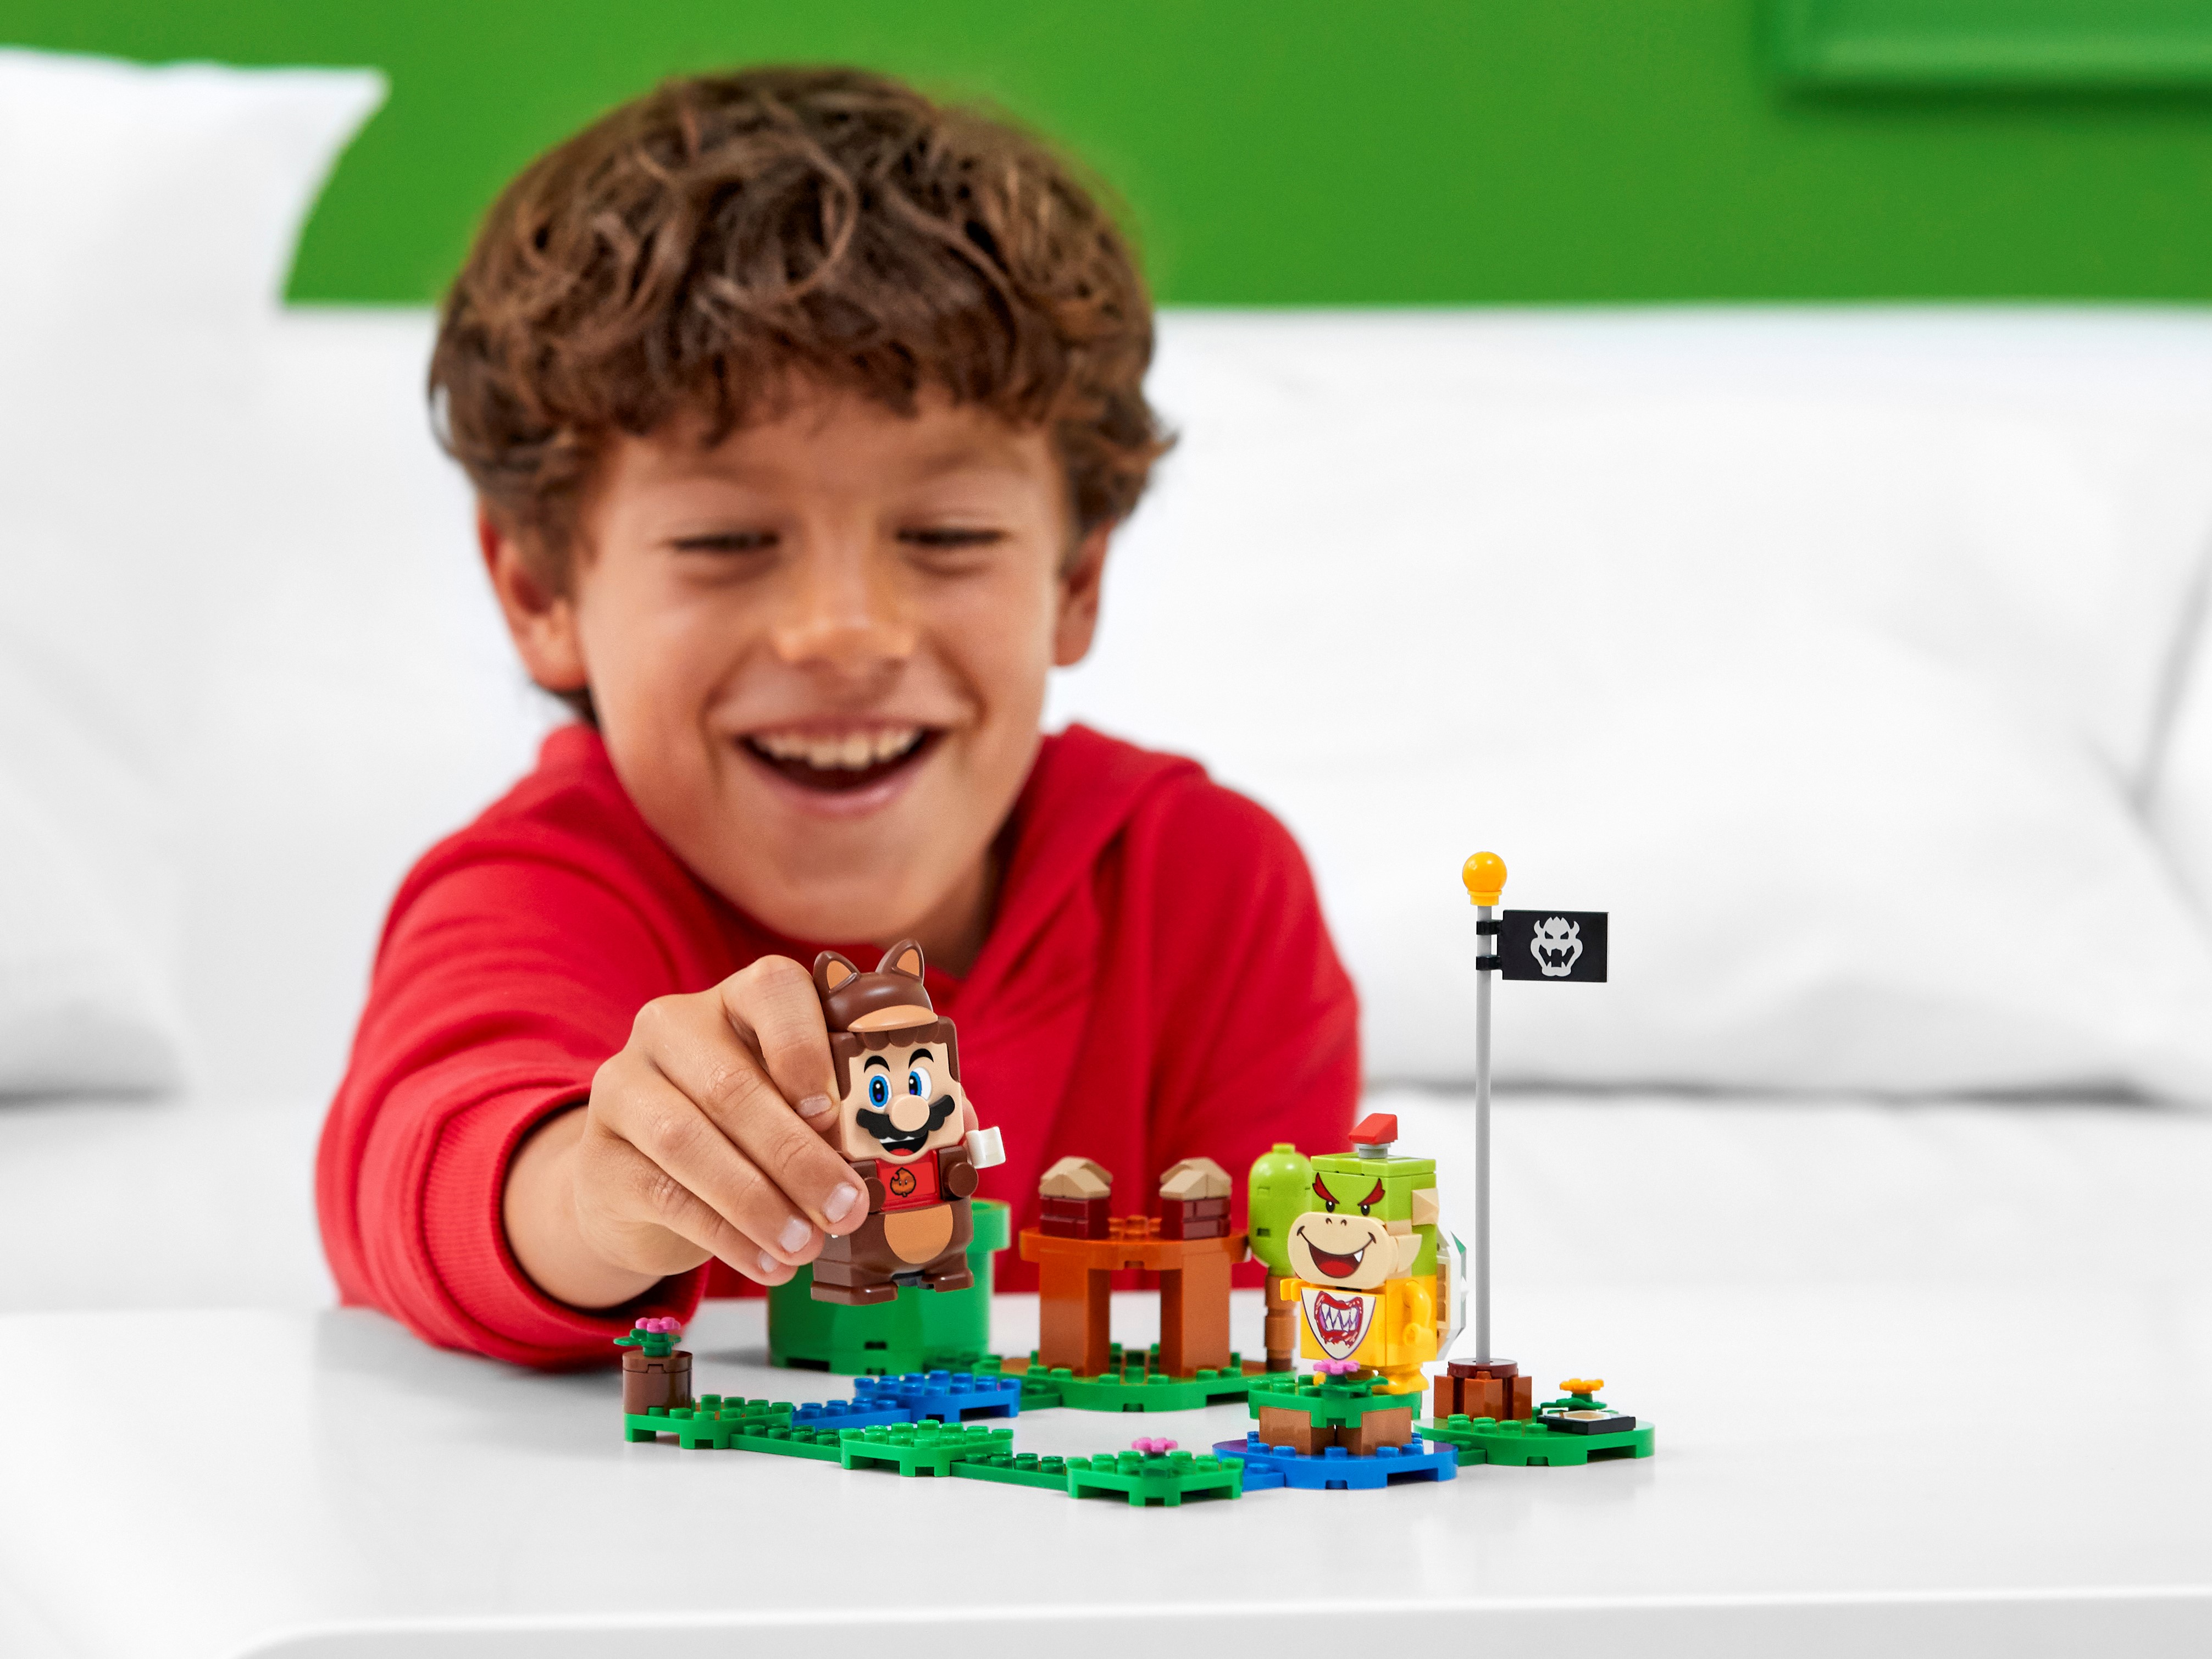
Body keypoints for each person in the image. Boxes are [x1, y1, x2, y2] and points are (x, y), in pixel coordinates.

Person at [315, 66, 1358, 1366]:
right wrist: (597, 1184)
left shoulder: (1207, 894)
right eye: (727, 539)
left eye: (948, 534)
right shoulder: (534, 894)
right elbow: (430, 1170)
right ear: (539, 590)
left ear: (1076, 581)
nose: (846, 631)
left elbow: (1286, 1339)